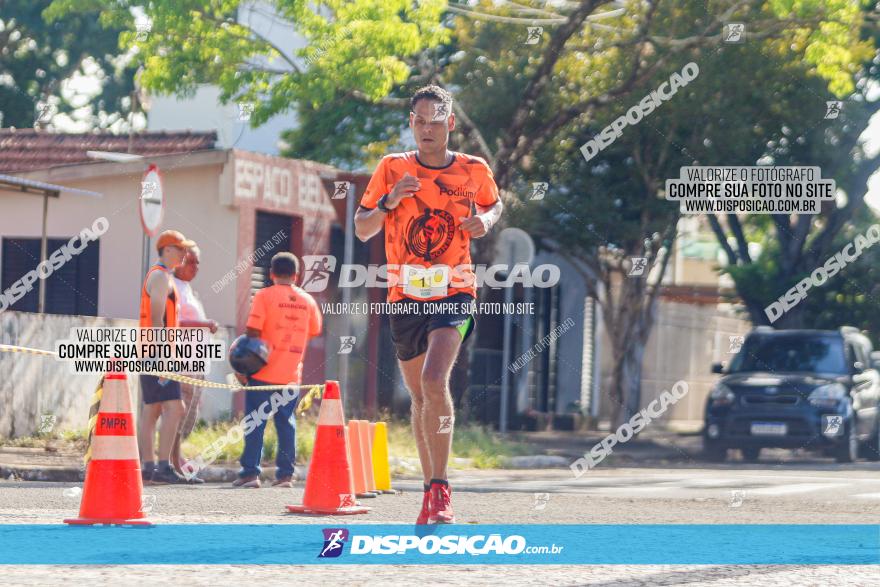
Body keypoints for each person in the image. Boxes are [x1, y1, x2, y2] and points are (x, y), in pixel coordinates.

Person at [354, 85, 503, 524]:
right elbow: (363, 228)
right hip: (404, 296)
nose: (426, 129)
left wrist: (485, 220)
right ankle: (428, 489)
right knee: (420, 396)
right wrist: (389, 201)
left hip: (455, 291)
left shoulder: (473, 170)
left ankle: (441, 488)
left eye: (434, 120)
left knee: (436, 381)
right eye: (418, 121)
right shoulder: (391, 168)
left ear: (450, 123)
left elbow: (495, 205)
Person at [233, 252, 322, 488]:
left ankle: (250, 474)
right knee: (286, 423)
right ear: (296, 275)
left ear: (271, 273)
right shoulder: (308, 301)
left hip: (262, 373)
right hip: (291, 375)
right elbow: (314, 329)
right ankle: (285, 475)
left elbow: (252, 331)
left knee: (255, 422)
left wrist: (241, 365)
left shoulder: (264, 295)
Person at [137, 229, 195, 485]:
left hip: (151, 352)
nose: (185, 254)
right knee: (175, 407)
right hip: (156, 354)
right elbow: (157, 318)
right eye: (181, 249)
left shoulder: (163, 277)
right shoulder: (161, 277)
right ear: (167, 249)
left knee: (152, 410)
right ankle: (161, 467)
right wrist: (163, 357)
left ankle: (150, 468)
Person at [171, 246, 218, 478]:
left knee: (190, 414)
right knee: (179, 412)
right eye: (191, 262)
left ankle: (176, 457)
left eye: (198, 263)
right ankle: (173, 459)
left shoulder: (187, 289)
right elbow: (173, 322)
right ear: (179, 262)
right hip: (181, 361)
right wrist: (205, 324)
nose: (196, 268)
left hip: (196, 360)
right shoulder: (172, 287)